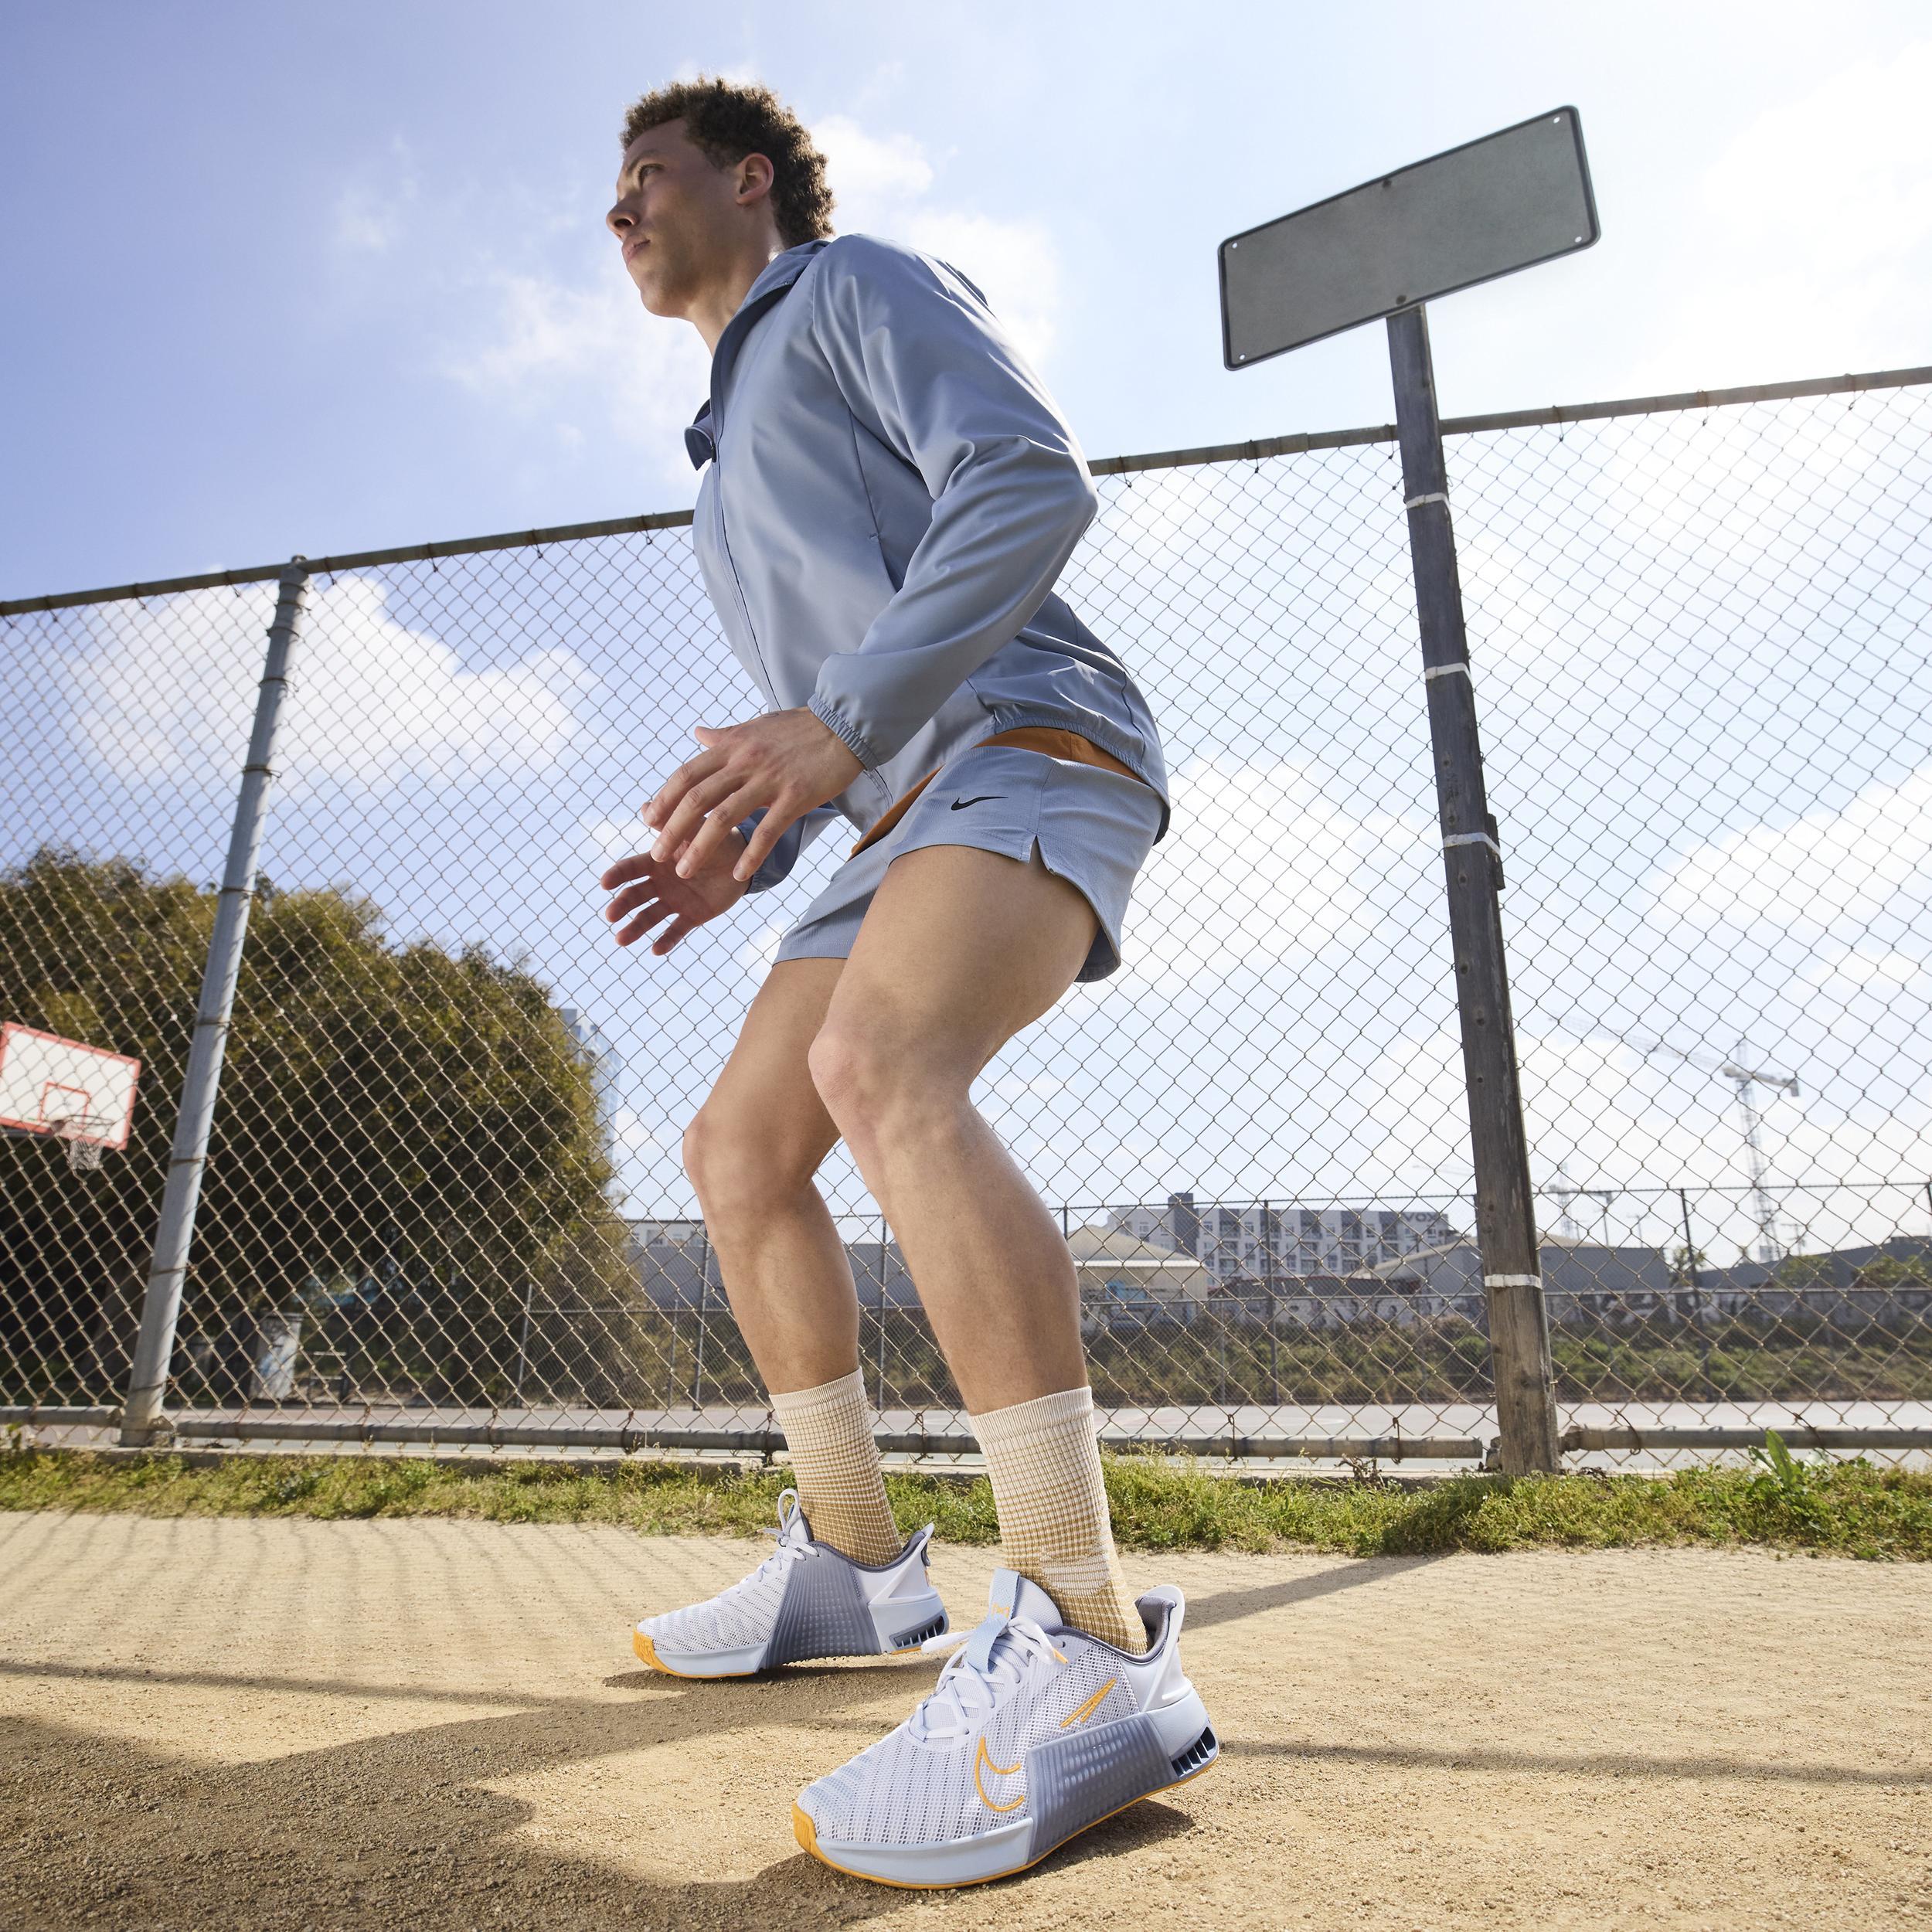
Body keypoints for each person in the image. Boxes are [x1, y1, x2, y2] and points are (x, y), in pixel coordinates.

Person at [598, 74, 1217, 1887]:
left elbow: (1027, 480)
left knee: (886, 1067)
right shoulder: (716, 473)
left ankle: (1089, 1634)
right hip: (881, 811)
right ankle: (856, 1562)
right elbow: (833, 702)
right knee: (736, 1152)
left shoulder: (854, 285)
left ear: (750, 181)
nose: (615, 209)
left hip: (1027, 733)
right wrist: (761, 841)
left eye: (644, 177)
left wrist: (839, 725)